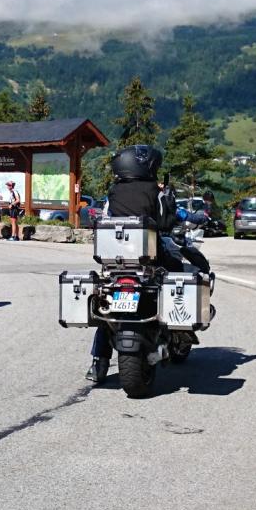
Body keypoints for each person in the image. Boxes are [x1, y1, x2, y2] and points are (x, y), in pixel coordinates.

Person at [86, 144, 177, 382]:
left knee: (106, 312)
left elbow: (106, 218)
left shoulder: (114, 191)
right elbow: (165, 221)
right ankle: (176, 330)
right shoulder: (153, 190)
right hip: (149, 257)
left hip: (116, 263)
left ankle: (98, 363)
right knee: (176, 274)